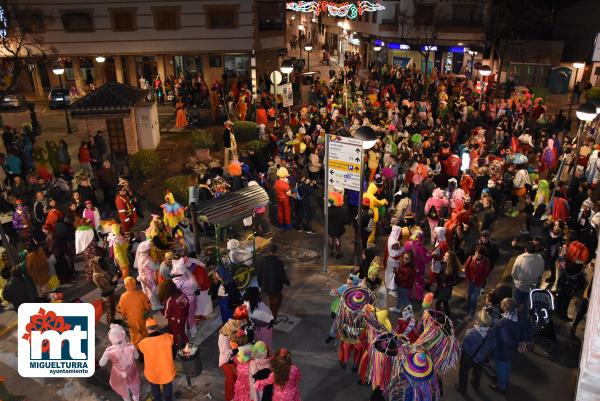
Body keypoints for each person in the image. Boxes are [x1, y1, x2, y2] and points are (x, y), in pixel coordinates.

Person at [488, 298, 532, 394]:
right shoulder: (520, 316)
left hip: (502, 350)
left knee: (501, 366)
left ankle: (501, 386)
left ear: (505, 308)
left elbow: (504, 339)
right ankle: (504, 379)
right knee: (507, 364)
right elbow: (527, 330)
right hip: (513, 349)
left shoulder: (503, 323)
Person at [99, 323, 141, 401]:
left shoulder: (109, 351)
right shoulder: (131, 347)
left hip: (119, 375)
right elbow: (137, 356)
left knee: (124, 393)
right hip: (132, 372)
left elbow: (101, 363)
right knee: (135, 390)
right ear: (123, 335)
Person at [137, 317, 176, 401]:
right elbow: (174, 353)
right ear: (157, 326)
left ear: (147, 328)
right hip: (167, 369)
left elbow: (141, 360)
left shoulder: (143, 343)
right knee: (168, 386)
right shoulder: (168, 337)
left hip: (153, 371)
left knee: (155, 388)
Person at [456, 309, 494, 394]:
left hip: (468, 357)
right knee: (478, 371)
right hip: (481, 358)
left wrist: (458, 344)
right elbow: (493, 345)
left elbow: (465, 346)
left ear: (478, 321)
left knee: (464, 372)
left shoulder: (470, 332)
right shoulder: (491, 332)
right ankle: (476, 385)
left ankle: (462, 388)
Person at [255, 244, 289, 319]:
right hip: (276, 286)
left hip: (266, 285)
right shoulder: (279, 262)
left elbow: (259, 273)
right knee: (279, 298)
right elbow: (281, 275)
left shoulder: (263, 260)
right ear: (276, 251)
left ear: (269, 251)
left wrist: (260, 284)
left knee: (271, 299)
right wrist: (287, 282)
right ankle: (274, 314)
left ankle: (271, 313)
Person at [117, 276, 151, 347]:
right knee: (144, 331)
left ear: (126, 286)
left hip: (131, 319)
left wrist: (124, 316)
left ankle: (136, 347)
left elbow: (120, 310)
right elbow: (148, 305)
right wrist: (147, 311)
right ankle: (146, 344)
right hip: (142, 317)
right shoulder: (140, 294)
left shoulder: (123, 297)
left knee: (134, 334)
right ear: (135, 284)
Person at [511, 242, 545, 308]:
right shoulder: (540, 258)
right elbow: (541, 272)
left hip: (519, 286)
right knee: (527, 306)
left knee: (515, 305)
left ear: (525, 249)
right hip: (532, 286)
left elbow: (513, 274)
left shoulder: (520, 258)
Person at [157, 279, 189, 348]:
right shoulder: (180, 293)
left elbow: (166, 315)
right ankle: (187, 343)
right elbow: (186, 302)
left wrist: (161, 313)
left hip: (175, 321)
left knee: (176, 334)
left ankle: (177, 346)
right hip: (184, 316)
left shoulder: (170, 300)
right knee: (182, 332)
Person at [464, 245, 491, 318]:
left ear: (482, 254)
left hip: (478, 283)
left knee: (474, 298)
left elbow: (485, 274)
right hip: (470, 281)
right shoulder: (470, 258)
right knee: (469, 296)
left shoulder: (486, 262)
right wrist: (468, 279)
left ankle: (472, 312)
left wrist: (479, 282)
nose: (477, 255)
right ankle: (468, 308)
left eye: (479, 254)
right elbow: (466, 270)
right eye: (476, 253)